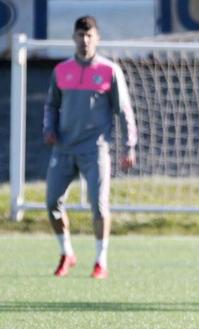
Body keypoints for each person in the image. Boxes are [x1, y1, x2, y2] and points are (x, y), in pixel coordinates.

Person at [43, 15, 137, 279]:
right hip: (63, 148)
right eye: (80, 35)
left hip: (95, 149)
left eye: (89, 35)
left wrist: (130, 145)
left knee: (99, 205)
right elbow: (51, 105)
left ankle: (100, 261)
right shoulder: (61, 71)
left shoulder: (109, 71)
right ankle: (67, 253)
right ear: (73, 38)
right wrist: (48, 128)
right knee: (51, 203)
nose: (84, 40)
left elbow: (124, 110)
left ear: (97, 38)